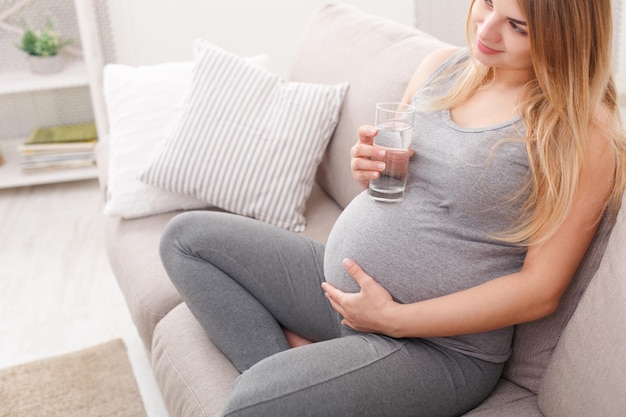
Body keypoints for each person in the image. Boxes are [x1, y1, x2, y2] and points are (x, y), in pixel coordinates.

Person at [159, 0, 626, 416]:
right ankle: (310, 373)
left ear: (566, 36)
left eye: (516, 26)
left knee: (248, 403)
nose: (485, 31)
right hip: (345, 298)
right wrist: (367, 168)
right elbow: (396, 182)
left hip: (439, 349)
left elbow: (540, 289)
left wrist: (394, 321)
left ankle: (306, 377)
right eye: (486, 3)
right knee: (186, 240)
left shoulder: (581, 132)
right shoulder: (442, 68)